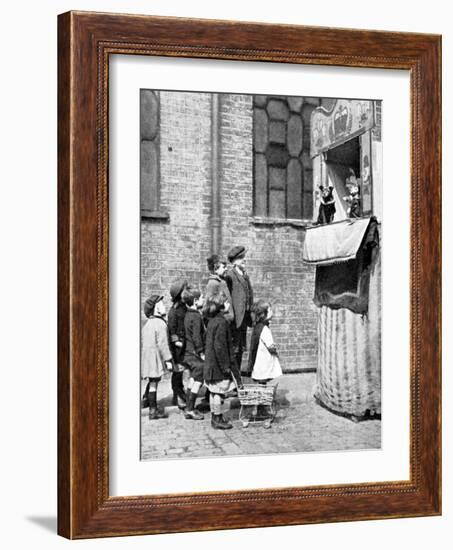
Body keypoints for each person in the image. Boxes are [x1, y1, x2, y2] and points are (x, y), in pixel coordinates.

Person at [203, 293, 239, 430]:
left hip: (211, 363)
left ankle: (215, 415)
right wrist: (225, 366)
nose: (229, 304)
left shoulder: (212, 320)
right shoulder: (222, 322)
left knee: (213, 391)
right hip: (218, 365)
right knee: (218, 392)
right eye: (226, 302)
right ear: (221, 306)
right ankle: (217, 418)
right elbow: (220, 346)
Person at [248, 300, 282, 428]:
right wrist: (276, 350)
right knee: (262, 385)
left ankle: (260, 408)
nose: (272, 312)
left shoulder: (258, 327)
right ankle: (261, 409)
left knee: (261, 384)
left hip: (258, 362)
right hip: (263, 363)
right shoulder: (265, 329)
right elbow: (270, 346)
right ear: (264, 314)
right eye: (270, 310)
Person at [141, 294, 174, 420]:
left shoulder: (148, 323)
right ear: (156, 308)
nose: (164, 306)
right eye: (161, 304)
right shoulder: (160, 323)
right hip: (154, 357)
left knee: (153, 381)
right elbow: (163, 344)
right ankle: (153, 410)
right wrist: (168, 360)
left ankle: (149, 404)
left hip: (147, 357)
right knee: (154, 382)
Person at [224, 246, 254, 376]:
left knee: (241, 348)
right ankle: (232, 379)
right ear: (234, 261)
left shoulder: (245, 275)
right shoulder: (230, 275)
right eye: (241, 258)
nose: (244, 260)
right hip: (235, 319)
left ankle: (236, 379)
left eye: (244, 257)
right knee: (234, 349)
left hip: (244, 319)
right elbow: (227, 296)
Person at [181, 288, 205, 420]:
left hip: (188, 353)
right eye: (202, 298)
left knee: (192, 379)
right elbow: (197, 337)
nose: (204, 300)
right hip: (195, 353)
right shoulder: (196, 316)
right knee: (198, 379)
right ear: (195, 301)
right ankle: (190, 409)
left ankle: (188, 407)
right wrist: (201, 352)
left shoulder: (187, 314)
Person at [167, 279, 190, 409]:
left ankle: (179, 393)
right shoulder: (173, 312)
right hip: (178, 348)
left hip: (185, 344)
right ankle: (178, 393)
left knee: (181, 371)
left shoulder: (184, 308)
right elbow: (172, 330)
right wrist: (178, 342)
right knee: (177, 371)